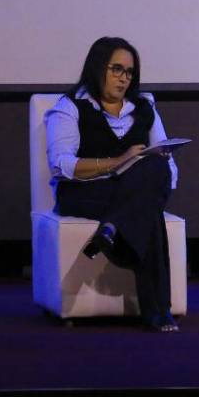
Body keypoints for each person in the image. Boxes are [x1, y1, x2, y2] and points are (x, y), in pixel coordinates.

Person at [44, 37, 181, 332]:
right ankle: (159, 310)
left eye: (129, 72)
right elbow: (61, 164)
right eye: (116, 69)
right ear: (98, 68)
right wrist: (118, 161)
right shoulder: (70, 107)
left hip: (134, 190)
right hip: (85, 191)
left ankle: (112, 228)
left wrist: (150, 172)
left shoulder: (144, 107)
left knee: (157, 166)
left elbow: (168, 164)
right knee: (147, 210)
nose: (124, 78)